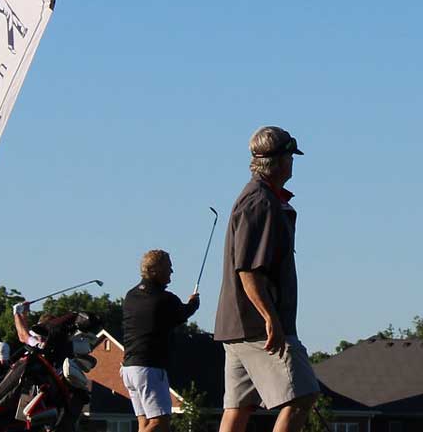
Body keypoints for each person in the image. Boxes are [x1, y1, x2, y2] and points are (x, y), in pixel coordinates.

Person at [214, 126, 319, 432]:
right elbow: (248, 270)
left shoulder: (259, 198)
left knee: (239, 407)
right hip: (258, 326)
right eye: (291, 157)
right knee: (302, 395)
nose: (293, 163)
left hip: (237, 325)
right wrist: (270, 318)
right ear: (281, 160)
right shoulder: (261, 202)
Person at [122, 250, 201, 432]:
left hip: (128, 369)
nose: (172, 271)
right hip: (149, 369)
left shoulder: (130, 296)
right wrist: (193, 303)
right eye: (168, 267)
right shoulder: (164, 299)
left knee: (144, 423)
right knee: (160, 422)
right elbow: (183, 313)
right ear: (155, 270)